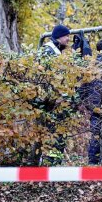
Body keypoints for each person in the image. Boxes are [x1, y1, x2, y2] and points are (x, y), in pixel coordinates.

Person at [37, 24, 71, 165]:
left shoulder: (55, 51)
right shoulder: (49, 52)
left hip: (56, 99)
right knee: (54, 131)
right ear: (59, 37)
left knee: (58, 131)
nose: (68, 39)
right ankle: (52, 162)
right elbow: (46, 78)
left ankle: (55, 160)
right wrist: (54, 96)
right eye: (66, 36)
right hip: (52, 101)